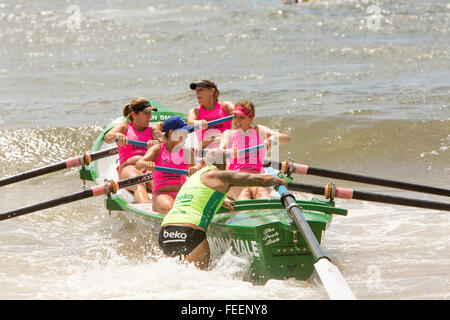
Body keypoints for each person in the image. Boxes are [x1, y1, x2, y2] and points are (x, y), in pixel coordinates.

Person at [158, 149, 287, 269]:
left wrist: (220, 201)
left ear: (204, 163)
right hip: (190, 232)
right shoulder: (221, 175)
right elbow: (254, 179)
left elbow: (196, 198)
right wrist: (277, 180)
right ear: (226, 165)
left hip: (166, 232)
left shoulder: (194, 177)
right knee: (198, 284)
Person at [219, 99, 290, 201]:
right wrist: (228, 153)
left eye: (241, 118)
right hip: (235, 178)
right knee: (244, 195)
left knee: (263, 195)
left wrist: (273, 138)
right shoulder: (229, 134)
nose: (237, 121)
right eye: (235, 117)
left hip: (256, 177)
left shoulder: (258, 130)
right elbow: (218, 153)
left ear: (251, 119)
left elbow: (286, 138)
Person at [136, 116, 203, 214]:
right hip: (161, 195)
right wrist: (146, 164)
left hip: (183, 194)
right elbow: (138, 165)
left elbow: (198, 166)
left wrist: (196, 168)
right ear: (171, 133)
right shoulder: (157, 149)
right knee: (173, 210)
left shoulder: (186, 151)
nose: (187, 135)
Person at [104, 97, 162, 203]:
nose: (149, 116)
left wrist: (158, 142)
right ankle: (145, 204)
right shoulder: (124, 128)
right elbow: (107, 138)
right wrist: (117, 135)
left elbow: (167, 144)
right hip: (128, 167)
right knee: (139, 183)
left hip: (148, 166)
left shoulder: (152, 131)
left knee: (159, 185)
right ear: (134, 114)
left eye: (150, 113)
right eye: (146, 113)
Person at [187, 79, 235, 149]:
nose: (197, 93)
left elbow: (239, 113)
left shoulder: (225, 106)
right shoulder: (195, 111)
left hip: (225, 143)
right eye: (196, 91)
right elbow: (190, 122)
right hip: (206, 148)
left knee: (228, 133)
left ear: (211, 91)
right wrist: (198, 122)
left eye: (200, 90)